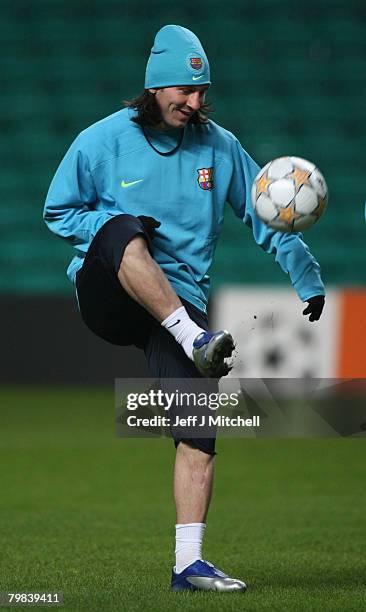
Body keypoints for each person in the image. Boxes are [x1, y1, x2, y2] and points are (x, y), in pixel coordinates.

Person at [44, 24, 325, 592]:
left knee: (198, 429)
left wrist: (308, 278)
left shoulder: (218, 146)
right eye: (185, 92)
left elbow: (267, 217)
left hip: (180, 301)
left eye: (202, 93)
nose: (195, 103)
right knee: (123, 228)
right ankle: (189, 334)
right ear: (155, 87)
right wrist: (111, 227)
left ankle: (188, 565)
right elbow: (59, 211)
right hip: (110, 292)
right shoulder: (100, 140)